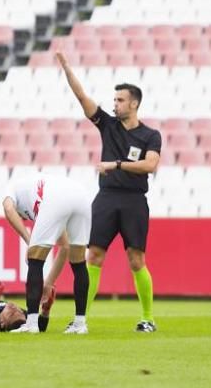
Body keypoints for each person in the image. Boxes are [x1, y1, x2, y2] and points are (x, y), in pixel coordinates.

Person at [56, 51, 162, 333]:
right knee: (93, 256)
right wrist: (67, 68)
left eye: (120, 100)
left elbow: (150, 165)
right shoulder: (108, 125)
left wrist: (115, 164)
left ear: (134, 103)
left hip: (134, 201)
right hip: (106, 198)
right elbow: (82, 98)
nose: (115, 104)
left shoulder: (151, 135)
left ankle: (148, 318)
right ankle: (81, 320)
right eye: (114, 100)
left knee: (136, 259)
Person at [2, 174, 92, 334]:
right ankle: (80, 324)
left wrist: (29, 241)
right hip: (82, 196)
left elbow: (8, 208)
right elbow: (64, 247)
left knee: (34, 259)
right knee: (79, 262)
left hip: (57, 196)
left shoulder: (13, 188)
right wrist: (49, 283)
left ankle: (31, 324)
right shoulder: (36, 192)